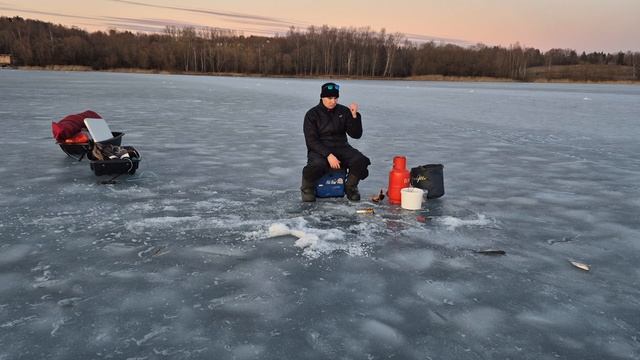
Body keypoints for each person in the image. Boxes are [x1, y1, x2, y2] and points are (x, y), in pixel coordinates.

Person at [301, 82, 371, 202]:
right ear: (322, 97)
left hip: (342, 147)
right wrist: (328, 155)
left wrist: (354, 116)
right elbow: (311, 141)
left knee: (360, 161)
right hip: (319, 149)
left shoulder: (343, 111)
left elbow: (356, 134)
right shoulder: (312, 114)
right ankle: (307, 188)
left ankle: (351, 187)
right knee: (317, 165)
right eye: (329, 98)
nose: (333, 101)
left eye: (335, 98)